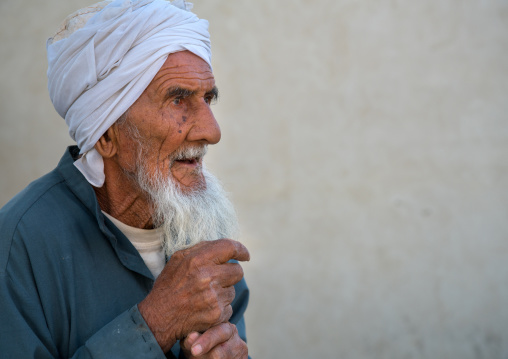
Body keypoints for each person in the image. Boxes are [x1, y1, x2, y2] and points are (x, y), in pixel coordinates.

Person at [0, 0, 250, 358]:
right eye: (178, 99)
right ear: (106, 136)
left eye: (208, 98)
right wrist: (156, 323)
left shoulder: (206, 232)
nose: (211, 131)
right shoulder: (18, 248)